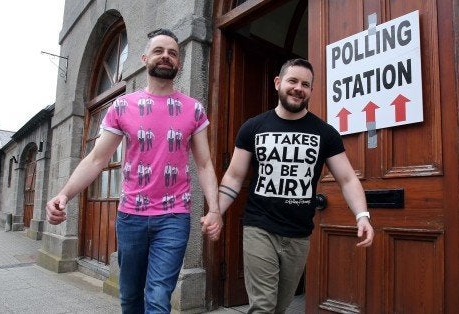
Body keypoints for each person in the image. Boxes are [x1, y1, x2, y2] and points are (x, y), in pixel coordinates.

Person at [46, 28, 221, 313]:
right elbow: (96, 159)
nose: (166, 56)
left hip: (174, 217)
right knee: (129, 297)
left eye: (173, 53)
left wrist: (214, 209)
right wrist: (64, 195)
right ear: (144, 58)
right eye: (159, 51)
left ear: (179, 62)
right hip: (131, 216)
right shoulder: (122, 106)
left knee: (157, 297)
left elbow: (204, 163)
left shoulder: (194, 109)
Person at [201, 58, 374, 313]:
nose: (298, 88)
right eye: (293, 81)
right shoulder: (253, 127)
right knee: (263, 306)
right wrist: (216, 211)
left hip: (298, 234)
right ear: (278, 83)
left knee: (280, 307)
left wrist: (362, 216)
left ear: (311, 91)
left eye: (305, 84)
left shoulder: (325, 133)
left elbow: (347, 178)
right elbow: (234, 177)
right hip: (259, 227)